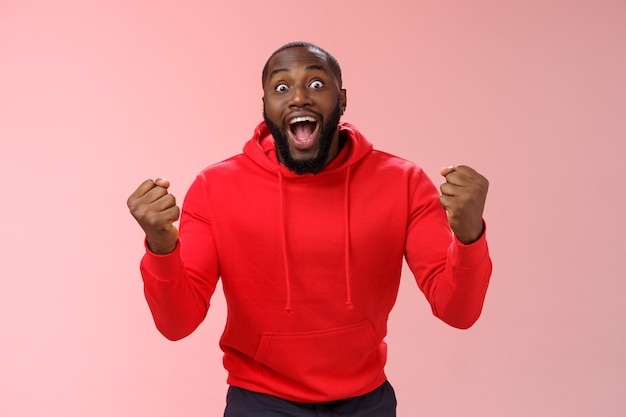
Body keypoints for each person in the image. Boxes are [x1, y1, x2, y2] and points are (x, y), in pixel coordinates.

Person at [127, 41, 492, 417]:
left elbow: (457, 312)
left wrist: (468, 237)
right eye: (281, 88)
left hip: (366, 401)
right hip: (260, 401)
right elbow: (177, 323)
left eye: (316, 84)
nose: (298, 97)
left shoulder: (403, 182)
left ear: (343, 99)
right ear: (265, 105)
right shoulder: (214, 187)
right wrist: (161, 247)